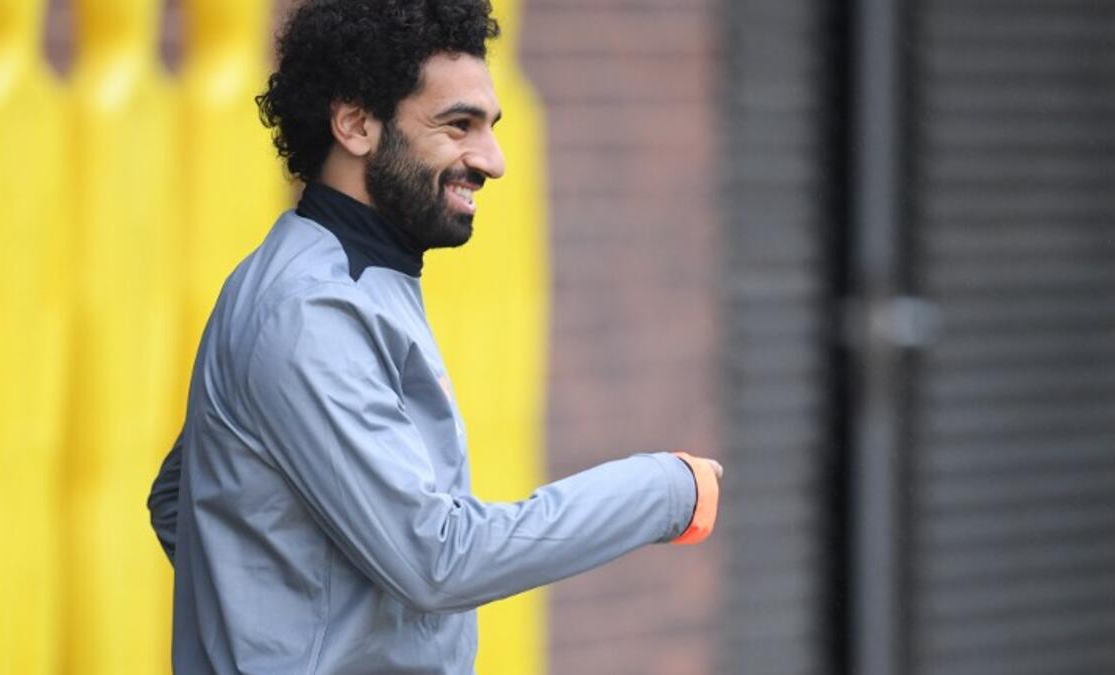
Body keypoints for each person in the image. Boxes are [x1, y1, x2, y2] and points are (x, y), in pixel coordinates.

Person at [147, 1, 722, 672]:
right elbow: (439, 559)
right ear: (356, 123)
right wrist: (663, 490)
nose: (494, 160)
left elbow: (183, 498)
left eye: (490, 127)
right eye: (458, 126)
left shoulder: (342, 279)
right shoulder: (311, 312)